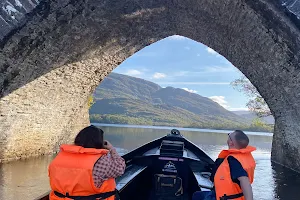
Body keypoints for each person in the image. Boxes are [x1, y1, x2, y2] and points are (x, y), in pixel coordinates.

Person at [48, 125, 126, 200]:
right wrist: (112, 149)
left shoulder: (59, 157)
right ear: (99, 142)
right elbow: (120, 168)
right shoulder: (101, 161)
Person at [193, 130, 256, 200]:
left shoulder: (233, 160)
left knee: (195, 195)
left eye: (229, 135)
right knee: (198, 195)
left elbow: (245, 181)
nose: (228, 136)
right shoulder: (243, 156)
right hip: (236, 195)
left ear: (231, 143)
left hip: (225, 197)